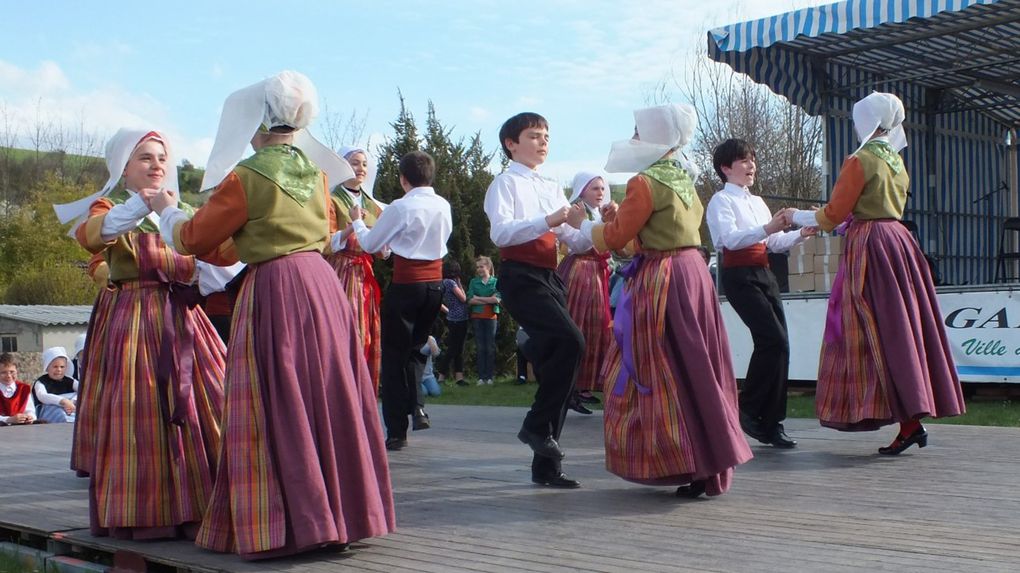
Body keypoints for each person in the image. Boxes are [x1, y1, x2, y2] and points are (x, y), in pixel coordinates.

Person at [153, 71, 394, 558]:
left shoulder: (246, 175)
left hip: (276, 289)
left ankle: (293, 521)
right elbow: (322, 231)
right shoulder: (318, 172)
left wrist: (167, 212)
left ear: (258, 122)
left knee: (277, 397)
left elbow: (194, 238)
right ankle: (343, 513)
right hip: (322, 285)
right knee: (329, 393)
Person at [567, 103, 752, 498]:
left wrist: (584, 224)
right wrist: (616, 224)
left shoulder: (644, 182)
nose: (634, 139)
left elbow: (617, 240)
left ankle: (683, 457)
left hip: (663, 281)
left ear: (653, 137)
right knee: (698, 366)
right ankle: (709, 461)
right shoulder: (683, 179)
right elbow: (645, 237)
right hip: (693, 274)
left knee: (657, 369)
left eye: (639, 132)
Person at [69, 128, 226, 539]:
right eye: (145, 158)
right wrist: (145, 205)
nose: (157, 165)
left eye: (161, 158)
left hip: (184, 319)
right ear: (124, 169)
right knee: (137, 415)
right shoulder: (110, 209)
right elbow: (91, 237)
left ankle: (202, 506)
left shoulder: (183, 210)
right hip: (133, 323)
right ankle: (147, 515)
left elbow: (215, 262)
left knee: (207, 403)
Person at [790, 92, 965, 454]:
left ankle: (896, 416)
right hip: (899, 243)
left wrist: (796, 217)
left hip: (870, 247)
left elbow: (835, 214)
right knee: (898, 331)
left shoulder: (860, 159)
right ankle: (910, 421)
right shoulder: (897, 161)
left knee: (869, 332)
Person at [483, 112, 591, 489]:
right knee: (571, 342)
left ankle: (545, 465)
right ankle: (534, 426)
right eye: (534, 136)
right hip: (521, 277)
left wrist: (602, 227)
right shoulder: (504, 184)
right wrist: (548, 220)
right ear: (511, 144)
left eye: (546, 135)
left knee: (560, 364)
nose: (543, 142)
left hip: (549, 276)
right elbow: (501, 234)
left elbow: (575, 239)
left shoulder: (549, 184)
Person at [706, 138, 816, 449]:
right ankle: (750, 410)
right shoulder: (720, 202)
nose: (751, 164)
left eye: (752, 158)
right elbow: (728, 240)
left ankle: (770, 421)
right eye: (743, 160)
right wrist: (767, 229)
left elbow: (775, 243)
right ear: (726, 168)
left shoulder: (756, 202)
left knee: (780, 343)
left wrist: (801, 234)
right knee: (772, 339)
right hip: (739, 274)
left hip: (763, 272)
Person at [338, 150, 452, 450]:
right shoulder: (443, 205)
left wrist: (357, 222)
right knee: (417, 349)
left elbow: (371, 243)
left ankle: (397, 430)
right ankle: (418, 406)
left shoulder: (401, 208)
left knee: (394, 356)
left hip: (408, 284)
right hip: (435, 285)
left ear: (403, 179)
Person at [327, 146, 386, 393]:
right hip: (342, 271)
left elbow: (383, 246)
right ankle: (341, 390)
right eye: (354, 163)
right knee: (345, 331)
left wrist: (384, 247)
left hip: (365, 274)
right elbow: (326, 241)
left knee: (368, 333)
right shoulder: (330, 199)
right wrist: (353, 226)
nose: (360, 168)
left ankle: (364, 392)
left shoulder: (373, 205)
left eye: (363, 164)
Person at [557, 171, 617, 414]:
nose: (600, 193)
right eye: (594, 188)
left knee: (596, 327)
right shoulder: (573, 212)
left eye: (602, 188)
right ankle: (569, 386)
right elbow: (580, 244)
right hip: (580, 271)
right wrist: (601, 226)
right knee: (579, 324)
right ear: (582, 191)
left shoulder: (597, 214)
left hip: (597, 273)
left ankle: (583, 385)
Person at [466, 256, 500, 385]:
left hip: (491, 317)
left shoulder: (495, 282)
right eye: (477, 267)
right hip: (477, 317)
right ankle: (481, 377)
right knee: (480, 347)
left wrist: (479, 298)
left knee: (490, 347)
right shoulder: (474, 282)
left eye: (481, 266)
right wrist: (488, 299)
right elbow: (470, 300)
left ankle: (490, 377)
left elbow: (497, 300)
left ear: (488, 267)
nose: (479, 269)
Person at [437, 260, 469, 386]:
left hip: (452, 318)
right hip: (459, 319)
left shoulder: (443, 282)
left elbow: (439, 302)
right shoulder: (451, 283)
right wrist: (460, 284)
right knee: (454, 349)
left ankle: (459, 377)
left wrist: (448, 311)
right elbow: (463, 298)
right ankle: (441, 375)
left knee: (457, 348)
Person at [32, 347, 78, 424]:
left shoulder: (70, 380)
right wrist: (63, 401)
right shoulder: (41, 382)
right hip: (50, 410)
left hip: (71, 407)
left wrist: (72, 402)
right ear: (47, 367)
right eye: (55, 367)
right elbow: (42, 396)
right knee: (59, 413)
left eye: (62, 367)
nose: (59, 370)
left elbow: (83, 390)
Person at [0, 354, 36, 426]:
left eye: (12, 372)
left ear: (17, 371)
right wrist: (9, 419)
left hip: (21, 429)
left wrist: (30, 417)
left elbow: (30, 410)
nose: (8, 376)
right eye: (3, 372)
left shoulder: (24, 389)